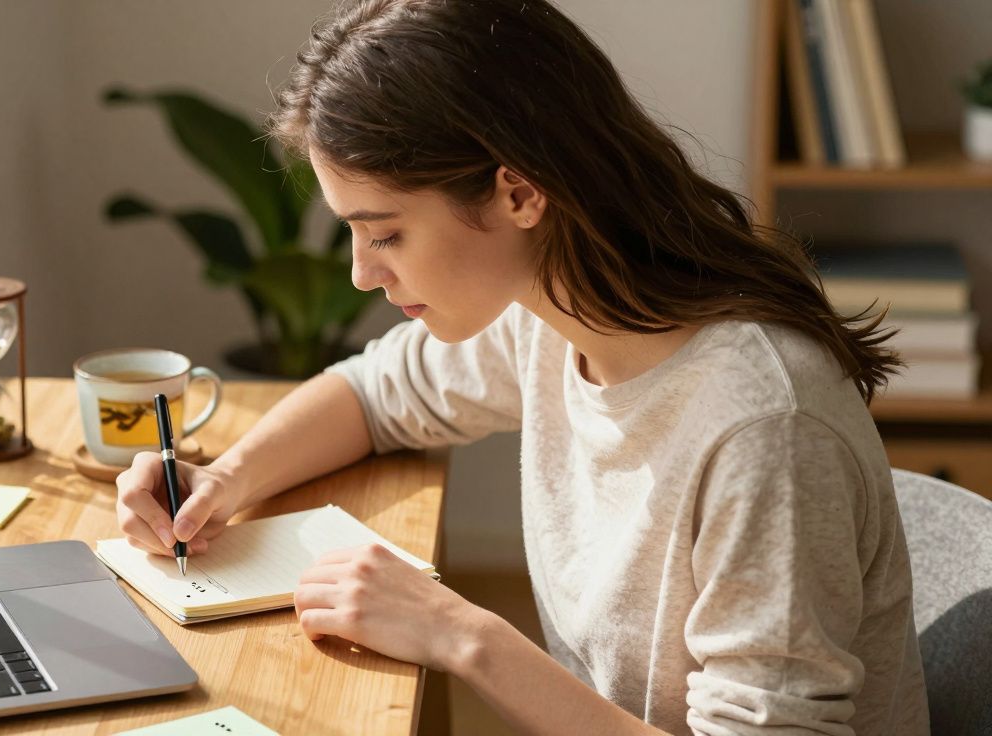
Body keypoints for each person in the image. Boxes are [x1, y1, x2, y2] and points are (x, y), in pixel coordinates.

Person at [114, 0, 930, 733]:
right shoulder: (551, 311)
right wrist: (222, 480)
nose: (362, 273)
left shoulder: (761, 431)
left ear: (518, 194)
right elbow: (373, 395)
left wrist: (461, 636)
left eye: (386, 233)